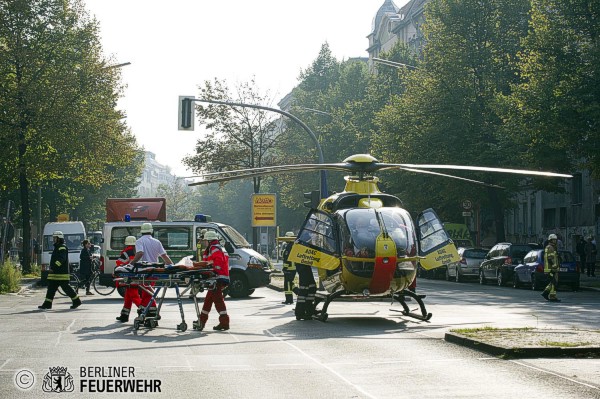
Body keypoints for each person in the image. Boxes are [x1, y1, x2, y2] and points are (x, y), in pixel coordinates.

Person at [129, 223, 174, 317]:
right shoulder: (157, 242)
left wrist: (131, 264)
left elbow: (140, 253)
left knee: (147, 292)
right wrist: (172, 266)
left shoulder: (139, 241)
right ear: (151, 231)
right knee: (148, 292)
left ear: (141, 232)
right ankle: (147, 311)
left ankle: (149, 311)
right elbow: (164, 256)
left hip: (143, 271)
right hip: (155, 271)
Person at [38, 231, 81, 310]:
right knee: (51, 288)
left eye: (55, 238)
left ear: (59, 239)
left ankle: (76, 301)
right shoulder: (58, 247)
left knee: (66, 288)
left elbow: (61, 259)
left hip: (60, 274)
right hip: (55, 274)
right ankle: (47, 303)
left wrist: (53, 267)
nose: (53, 240)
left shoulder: (62, 247)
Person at [198, 230, 230, 331]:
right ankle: (201, 321)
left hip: (217, 277)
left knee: (218, 301)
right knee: (208, 300)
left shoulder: (213, 248)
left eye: (205, 240)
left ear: (209, 240)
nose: (204, 242)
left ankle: (224, 322)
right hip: (219, 277)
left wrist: (212, 271)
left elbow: (217, 262)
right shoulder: (218, 247)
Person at [115, 236, 142, 322]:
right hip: (134, 274)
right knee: (128, 296)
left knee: (133, 295)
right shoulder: (136, 251)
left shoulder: (128, 251)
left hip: (129, 275)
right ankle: (124, 315)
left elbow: (122, 262)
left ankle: (143, 310)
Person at [541, 233, 561, 302]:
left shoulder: (550, 247)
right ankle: (550, 295)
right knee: (554, 282)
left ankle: (547, 294)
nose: (555, 241)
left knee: (553, 282)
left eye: (555, 240)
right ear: (550, 240)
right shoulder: (550, 248)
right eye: (553, 240)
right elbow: (550, 258)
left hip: (550, 268)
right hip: (551, 268)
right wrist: (554, 266)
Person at [280, 231, 297, 305]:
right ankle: (296, 293)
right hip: (291, 268)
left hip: (290, 268)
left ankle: (290, 299)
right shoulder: (291, 245)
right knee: (290, 283)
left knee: (288, 284)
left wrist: (285, 268)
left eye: (286, 237)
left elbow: (287, 258)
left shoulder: (290, 246)